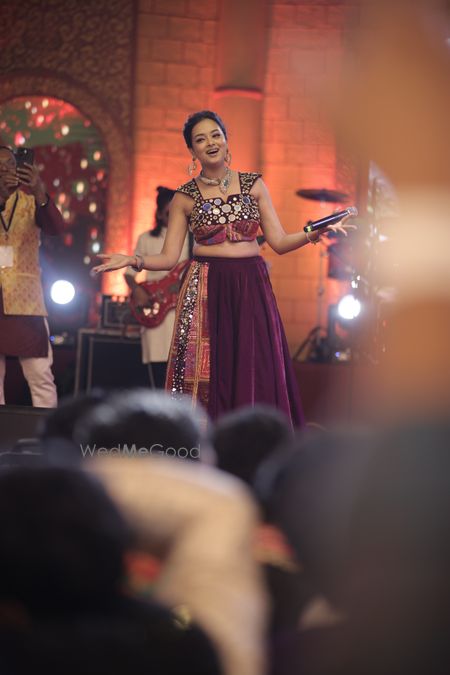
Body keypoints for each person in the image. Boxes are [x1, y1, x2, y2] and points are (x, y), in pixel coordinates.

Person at [93, 111, 354, 426]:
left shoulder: (254, 184)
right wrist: (133, 260)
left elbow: (280, 241)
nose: (210, 143)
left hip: (250, 284)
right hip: (206, 285)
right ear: (192, 151)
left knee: (254, 362)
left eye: (215, 135)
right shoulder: (184, 197)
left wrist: (315, 232)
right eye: (200, 139)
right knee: (209, 367)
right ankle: (204, 437)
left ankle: (253, 437)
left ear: (226, 140)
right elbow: (168, 257)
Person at [0, 145, 64, 407]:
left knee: (40, 375)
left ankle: (47, 431)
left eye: (9, 163)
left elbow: (55, 228)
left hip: (25, 301)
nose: (4, 168)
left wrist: (38, 189)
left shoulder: (30, 201)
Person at [124, 186, 190, 389]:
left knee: (181, 371)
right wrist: (138, 291)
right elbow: (129, 273)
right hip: (155, 309)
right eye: (169, 213)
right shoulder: (146, 239)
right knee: (158, 374)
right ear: (160, 214)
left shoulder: (191, 238)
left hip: (181, 313)